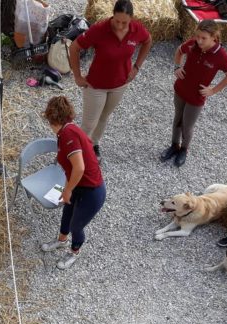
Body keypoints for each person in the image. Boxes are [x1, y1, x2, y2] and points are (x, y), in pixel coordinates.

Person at [69, 0, 152, 157]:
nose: (120, 26)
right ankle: (76, 154)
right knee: (88, 124)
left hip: (120, 84)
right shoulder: (100, 29)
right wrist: (78, 76)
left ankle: (94, 145)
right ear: (112, 16)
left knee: (104, 117)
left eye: (124, 22)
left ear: (132, 19)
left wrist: (136, 67)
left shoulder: (137, 29)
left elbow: (148, 41)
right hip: (96, 85)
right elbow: (74, 47)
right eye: (117, 21)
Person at [39, 95, 106, 270]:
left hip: (92, 191)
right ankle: (61, 240)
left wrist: (67, 190)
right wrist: (68, 188)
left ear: (52, 119)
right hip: (78, 185)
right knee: (67, 213)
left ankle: (75, 251)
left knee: (77, 225)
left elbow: (79, 168)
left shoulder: (67, 134)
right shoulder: (68, 130)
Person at [160, 20, 227, 167]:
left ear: (214, 38)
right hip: (181, 89)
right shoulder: (192, 44)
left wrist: (213, 90)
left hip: (197, 97)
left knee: (187, 125)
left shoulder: (220, 55)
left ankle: (184, 149)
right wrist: (177, 66)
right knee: (177, 119)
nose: (199, 41)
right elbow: (179, 51)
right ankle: (174, 145)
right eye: (197, 36)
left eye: (203, 38)